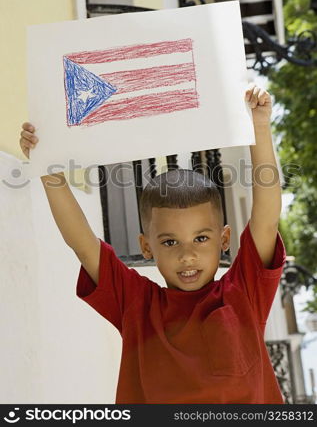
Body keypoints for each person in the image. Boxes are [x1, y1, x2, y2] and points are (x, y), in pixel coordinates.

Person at [20, 84, 286, 404]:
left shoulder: (243, 292)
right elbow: (83, 244)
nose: (187, 255)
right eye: (170, 241)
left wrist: (259, 127)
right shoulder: (137, 304)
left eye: (201, 238)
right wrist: (49, 173)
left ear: (224, 239)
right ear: (147, 248)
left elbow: (267, 218)